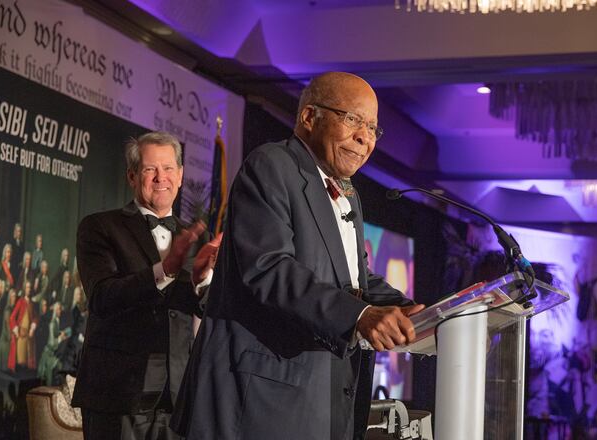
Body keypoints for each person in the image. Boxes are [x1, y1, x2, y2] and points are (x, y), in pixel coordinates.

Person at [174, 72, 423, 440]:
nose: (365, 138)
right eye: (353, 120)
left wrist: (417, 312)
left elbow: (356, 279)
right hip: (262, 401)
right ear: (309, 118)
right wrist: (361, 315)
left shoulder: (348, 193)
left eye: (373, 128)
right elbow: (269, 268)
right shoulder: (271, 166)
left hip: (321, 399)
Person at [71, 131, 222, 440]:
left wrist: (201, 282)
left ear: (180, 176)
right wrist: (164, 270)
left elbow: (206, 309)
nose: (160, 178)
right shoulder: (100, 227)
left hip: (178, 396)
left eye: (168, 169)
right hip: (118, 393)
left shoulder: (197, 238)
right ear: (132, 176)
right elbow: (102, 297)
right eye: (150, 169)